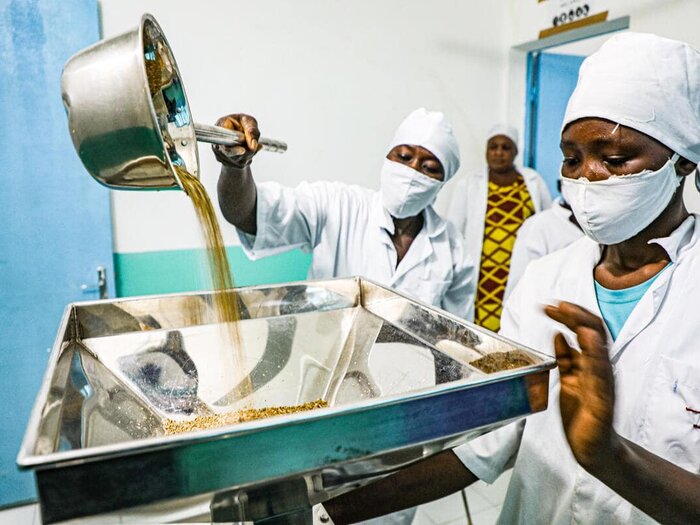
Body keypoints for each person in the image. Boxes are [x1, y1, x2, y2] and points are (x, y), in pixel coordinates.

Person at [322, 32, 700, 524]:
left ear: (682, 159)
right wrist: (321, 508)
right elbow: (486, 444)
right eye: (571, 158)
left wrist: (611, 457)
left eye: (612, 159)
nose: (586, 177)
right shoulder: (545, 283)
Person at [213, 108, 475, 320]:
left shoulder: (452, 248)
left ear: (442, 181)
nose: (412, 171)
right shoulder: (338, 205)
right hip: (328, 366)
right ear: (388, 158)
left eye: (428, 167)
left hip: (412, 377)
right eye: (404, 157)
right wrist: (235, 168)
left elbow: (455, 336)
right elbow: (248, 214)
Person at [446, 125, 551, 332]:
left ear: (515, 152)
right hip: (483, 272)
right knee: (477, 330)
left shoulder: (533, 181)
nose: (499, 153)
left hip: (521, 266)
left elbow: (549, 222)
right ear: (486, 150)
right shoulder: (468, 185)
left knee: (518, 320)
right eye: (493, 147)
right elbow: (454, 231)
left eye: (506, 147)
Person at [504, 181, 583, 299]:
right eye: (577, 184)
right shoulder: (539, 225)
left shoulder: (610, 226)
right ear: (560, 186)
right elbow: (520, 286)